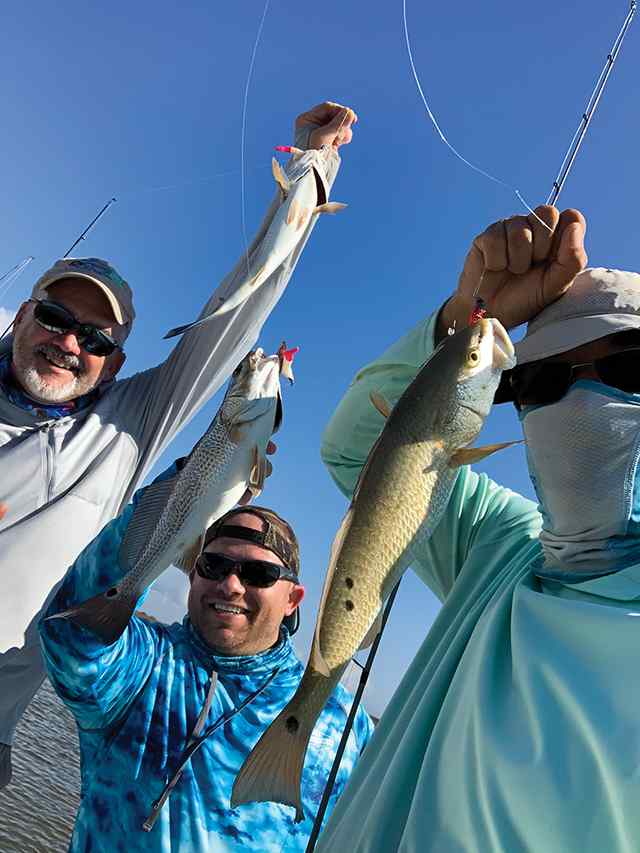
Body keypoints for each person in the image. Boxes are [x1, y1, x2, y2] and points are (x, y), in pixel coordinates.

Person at [0, 99, 358, 787]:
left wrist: (313, 165)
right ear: (23, 314)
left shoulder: (123, 426)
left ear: (119, 362)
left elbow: (236, 313)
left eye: (97, 338)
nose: (70, 342)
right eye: (53, 315)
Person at [317, 204, 640, 852]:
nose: (580, 398)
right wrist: (458, 322)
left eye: (627, 367)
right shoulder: (500, 541)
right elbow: (359, 454)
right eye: (542, 380)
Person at [38, 497, 374, 852]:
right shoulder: (142, 662)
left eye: (259, 574)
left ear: (293, 599)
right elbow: (71, 630)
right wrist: (188, 494)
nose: (231, 584)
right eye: (214, 565)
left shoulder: (344, 723)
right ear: (193, 574)